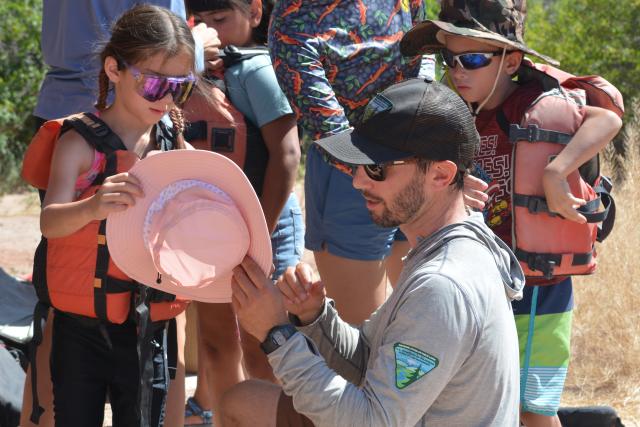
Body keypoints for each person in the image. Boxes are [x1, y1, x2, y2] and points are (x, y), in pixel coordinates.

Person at [221, 78, 525, 426]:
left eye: (377, 168)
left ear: (440, 174)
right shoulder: (450, 245)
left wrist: (276, 335)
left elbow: (370, 421)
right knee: (241, 401)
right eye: (358, 164)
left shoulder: (442, 284)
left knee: (242, 405)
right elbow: (371, 361)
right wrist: (315, 317)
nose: (358, 181)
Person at [399, 2, 623, 425]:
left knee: (533, 410)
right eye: (450, 59)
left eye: (474, 59)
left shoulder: (531, 103)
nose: (458, 71)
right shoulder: (457, 113)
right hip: (482, 286)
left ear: (511, 61)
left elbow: (607, 117)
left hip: (539, 290)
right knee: (488, 400)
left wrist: (559, 170)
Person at [23, 3, 221, 426]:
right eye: (152, 85)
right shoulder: (79, 143)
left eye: (179, 88)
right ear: (114, 69)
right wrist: (92, 206)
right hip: (82, 331)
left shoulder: (173, 141)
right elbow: (50, 221)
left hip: (149, 328)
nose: (165, 99)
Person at [268, 0, 435, 324]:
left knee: (426, 321)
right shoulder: (293, 18)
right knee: (363, 332)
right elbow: (329, 130)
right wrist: (392, 169)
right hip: (353, 177)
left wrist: (424, 113)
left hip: (415, 159)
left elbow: (424, 46)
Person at [181, 0, 303, 424]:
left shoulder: (258, 71)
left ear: (254, 13)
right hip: (208, 233)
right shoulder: (188, 75)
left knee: (262, 343)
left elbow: (287, 155)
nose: (213, 31)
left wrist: (258, 235)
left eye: (222, 20)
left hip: (262, 230)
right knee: (215, 341)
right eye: (202, 22)